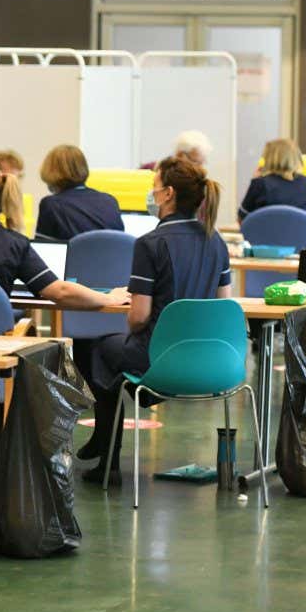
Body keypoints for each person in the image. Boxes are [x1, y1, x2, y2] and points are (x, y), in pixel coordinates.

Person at [0, 164, 128, 476]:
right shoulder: (14, 243)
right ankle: (2, 442)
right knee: (17, 339)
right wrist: (108, 298)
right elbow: (60, 291)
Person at [75, 155, 231, 484]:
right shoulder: (216, 242)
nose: (151, 192)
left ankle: (108, 450)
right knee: (113, 357)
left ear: (168, 194)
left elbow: (139, 317)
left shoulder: (150, 244)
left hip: (158, 358)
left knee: (96, 347)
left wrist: (132, 317)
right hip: (209, 363)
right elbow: (223, 305)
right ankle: (114, 428)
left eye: (154, 186)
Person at [34, 144, 124, 241]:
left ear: (50, 171)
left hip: (74, 256)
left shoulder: (51, 205)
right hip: (113, 256)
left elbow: (45, 248)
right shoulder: (110, 201)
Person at [238, 138, 306, 220]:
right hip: (302, 233)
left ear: (269, 159)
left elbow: (242, 217)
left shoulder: (260, 184)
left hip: (266, 232)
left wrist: (254, 179)